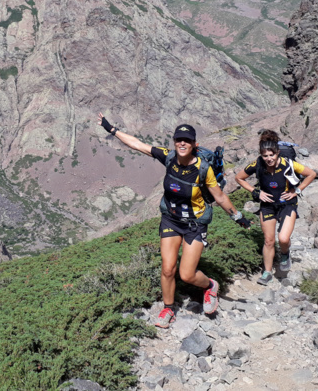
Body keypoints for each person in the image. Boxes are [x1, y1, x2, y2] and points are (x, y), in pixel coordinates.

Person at [98, 113, 252, 328]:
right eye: (179, 139)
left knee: (187, 275)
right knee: (168, 269)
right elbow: (138, 145)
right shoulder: (168, 157)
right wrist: (111, 129)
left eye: (187, 140)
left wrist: (237, 216)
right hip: (170, 220)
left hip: (194, 224)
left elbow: (219, 197)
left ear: (194, 144)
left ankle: (210, 285)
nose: (182, 143)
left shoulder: (202, 169)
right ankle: (168, 308)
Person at [234, 129, 316, 285]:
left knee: (283, 239)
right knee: (269, 241)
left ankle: (285, 253)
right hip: (267, 206)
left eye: (272, 155)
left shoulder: (288, 163)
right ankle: (267, 272)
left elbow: (311, 174)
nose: (269, 159)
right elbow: (239, 177)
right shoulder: (257, 164)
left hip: (287, 204)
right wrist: (256, 192)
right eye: (265, 156)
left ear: (277, 153)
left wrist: (296, 190)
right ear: (261, 155)